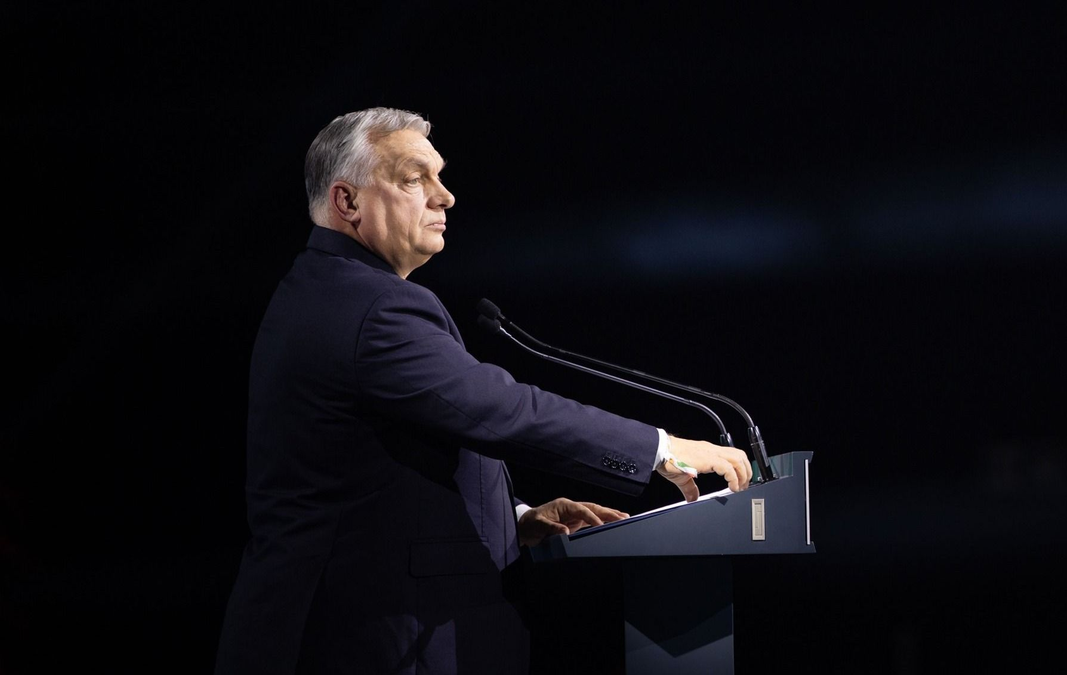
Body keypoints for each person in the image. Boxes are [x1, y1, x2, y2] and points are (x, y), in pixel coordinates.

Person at [213, 107, 752, 675]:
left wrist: (511, 519)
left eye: (440, 176)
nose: (444, 197)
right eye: (414, 179)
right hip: (368, 640)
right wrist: (662, 447)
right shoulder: (369, 307)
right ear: (347, 202)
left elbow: (381, 470)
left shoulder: (329, 290)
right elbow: (501, 411)